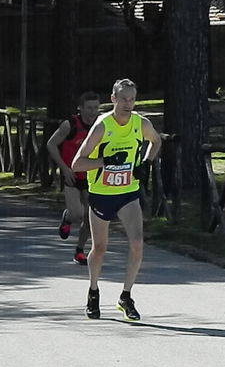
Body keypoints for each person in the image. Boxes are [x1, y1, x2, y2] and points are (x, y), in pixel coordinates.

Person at [72, 78, 161, 321]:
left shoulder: (140, 124)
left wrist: (146, 163)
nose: (128, 104)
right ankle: (93, 291)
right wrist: (105, 162)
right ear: (113, 99)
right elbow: (77, 163)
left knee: (137, 243)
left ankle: (126, 296)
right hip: (101, 194)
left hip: (128, 193)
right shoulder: (102, 126)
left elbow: (157, 141)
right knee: (99, 249)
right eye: (123, 99)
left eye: (132, 99)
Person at [47, 91, 101, 265]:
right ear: (81, 108)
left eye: (96, 108)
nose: (92, 112)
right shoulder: (70, 125)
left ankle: (79, 250)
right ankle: (68, 217)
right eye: (89, 108)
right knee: (78, 214)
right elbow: (51, 144)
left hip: (91, 176)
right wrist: (64, 168)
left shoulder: (101, 125)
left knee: (90, 216)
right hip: (72, 175)